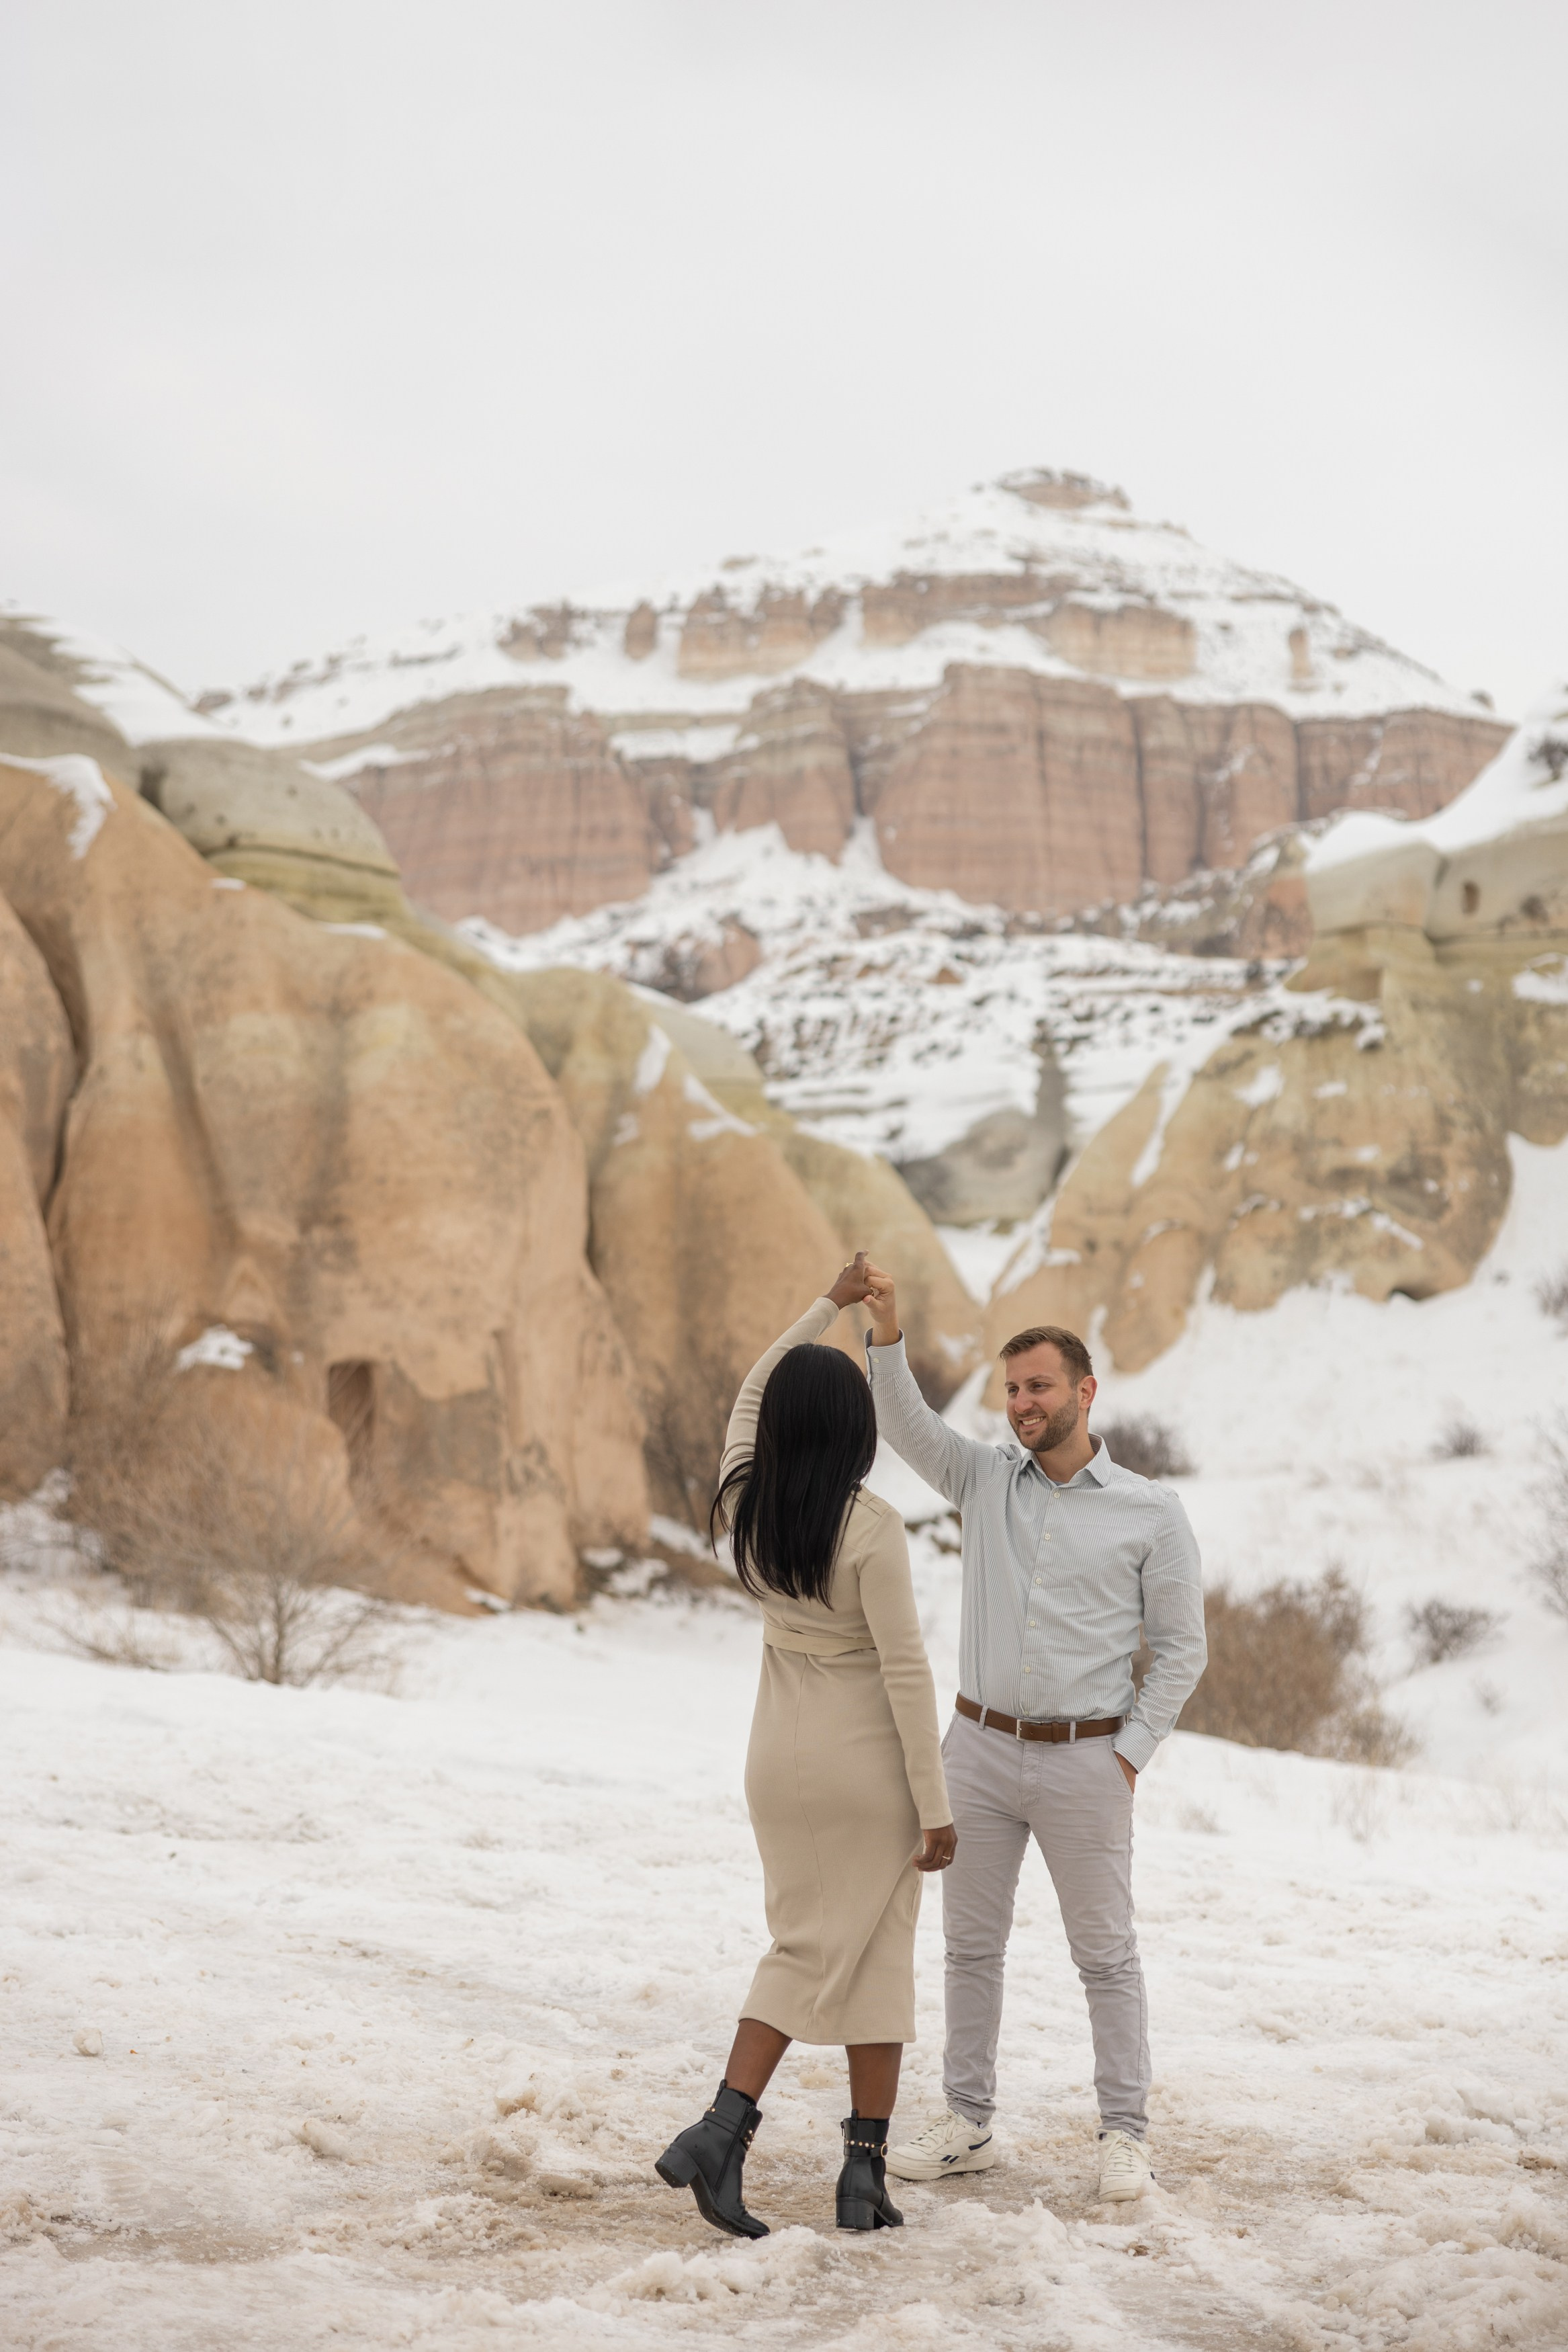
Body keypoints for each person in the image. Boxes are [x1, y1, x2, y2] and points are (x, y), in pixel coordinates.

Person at [859, 1264, 1206, 2205]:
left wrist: (1128, 1753)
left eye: (1039, 1386)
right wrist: (885, 1331)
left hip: (1087, 1759)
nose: (1022, 1404)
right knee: (969, 1948)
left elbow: (1183, 1649)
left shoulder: (1150, 1511)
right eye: (1012, 1389)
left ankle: (1124, 2133)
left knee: (1106, 1956)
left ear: (1085, 1393)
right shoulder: (982, 1480)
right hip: (975, 1752)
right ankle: (966, 2120)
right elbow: (905, 1425)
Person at [656, 1257, 957, 2239]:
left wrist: (828, 1303)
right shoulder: (872, 1529)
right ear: (855, 1432)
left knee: (824, 1945)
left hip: (776, 1760)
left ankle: (837, 2169)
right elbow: (905, 1672)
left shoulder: (746, 1500)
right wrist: (936, 1804)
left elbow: (755, 1385)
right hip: (864, 1769)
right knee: (859, 1954)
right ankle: (745, 2137)